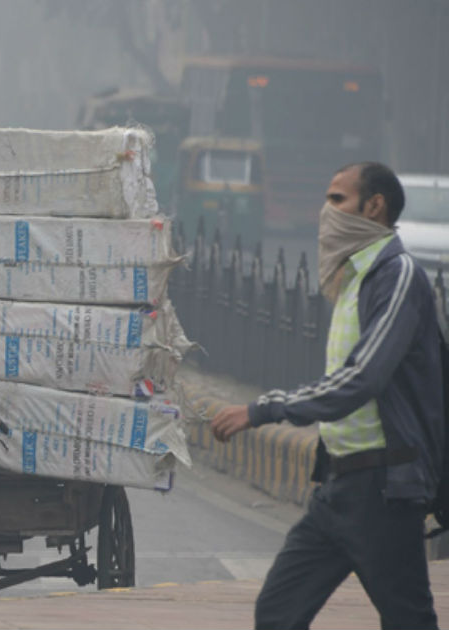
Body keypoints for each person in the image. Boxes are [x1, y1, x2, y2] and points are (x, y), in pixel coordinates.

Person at [211, 162, 446, 630]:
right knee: (279, 610)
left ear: (373, 206)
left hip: (383, 484)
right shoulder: (355, 280)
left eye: (337, 199)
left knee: (407, 618)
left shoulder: (396, 275)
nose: (326, 211)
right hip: (338, 486)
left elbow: (360, 379)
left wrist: (263, 409)